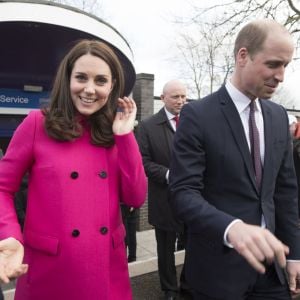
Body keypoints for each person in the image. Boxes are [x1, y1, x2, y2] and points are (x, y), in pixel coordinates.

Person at [0, 40, 147, 300]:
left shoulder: (116, 133)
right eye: (81, 77)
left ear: (112, 86)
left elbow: (135, 197)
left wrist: (125, 138)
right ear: (67, 79)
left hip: (107, 273)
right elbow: (3, 187)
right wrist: (10, 234)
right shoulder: (37, 123)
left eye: (100, 80)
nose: (90, 89)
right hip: (50, 272)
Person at [169, 19, 300, 300]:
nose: (281, 76)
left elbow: (285, 192)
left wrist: (294, 255)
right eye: (274, 64)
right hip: (217, 272)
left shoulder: (278, 117)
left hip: (272, 273)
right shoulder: (198, 115)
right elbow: (183, 193)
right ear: (243, 56)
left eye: (285, 66)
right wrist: (232, 228)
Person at [136, 80, 189, 300]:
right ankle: (169, 288)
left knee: (191, 245)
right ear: (162, 98)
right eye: (175, 97)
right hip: (164, 199)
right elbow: (143, 161)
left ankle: (187, 283)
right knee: (165, 248)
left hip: (191, 198)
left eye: (184, 97)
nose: (180, 101)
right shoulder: (148, 126)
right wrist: (169, 175)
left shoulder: (192, 121)